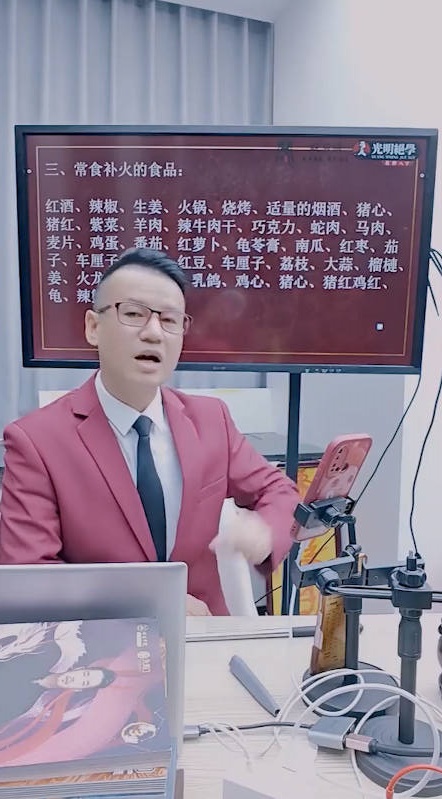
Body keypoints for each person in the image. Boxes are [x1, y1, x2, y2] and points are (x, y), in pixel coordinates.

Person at [0, 248, 300, 614]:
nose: (154, 333)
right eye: (133, 314)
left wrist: (265, 530)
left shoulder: (211, 420)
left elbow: (279, 491)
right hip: (100, 643)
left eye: (170, 320)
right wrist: (153, 604)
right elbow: (30, 575)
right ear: (93, 327)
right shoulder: (36, 441)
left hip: (206, 637)